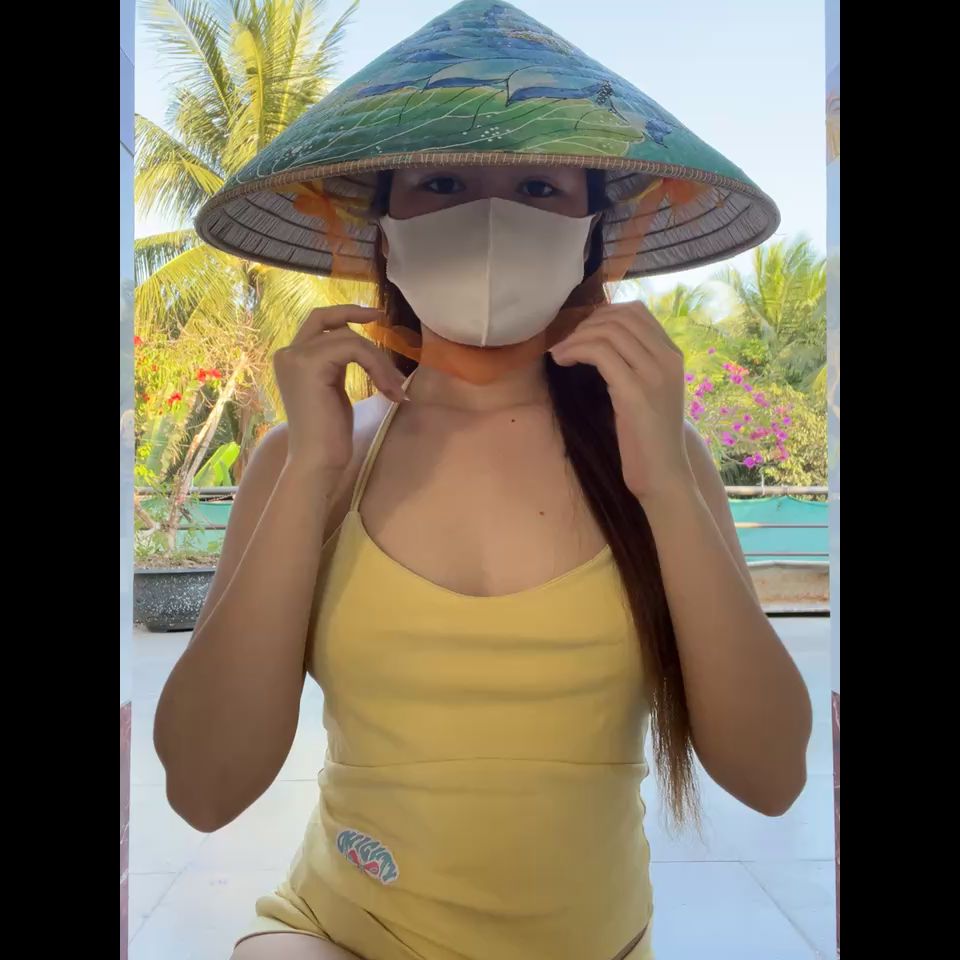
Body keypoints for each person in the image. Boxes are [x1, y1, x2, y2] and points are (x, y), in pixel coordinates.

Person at [162, 3, 813, 958]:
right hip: (338, 934)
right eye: (443, 181)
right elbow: (203, 789)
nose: (492, 217)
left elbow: (771, 776)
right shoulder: (308, 457)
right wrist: (309, 472)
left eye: (540, 186)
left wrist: (667, 486)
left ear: (592, 234)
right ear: (384, 230)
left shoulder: (661, 455)